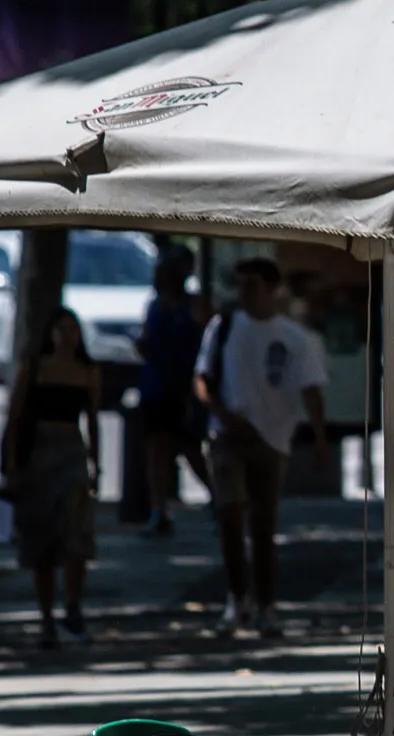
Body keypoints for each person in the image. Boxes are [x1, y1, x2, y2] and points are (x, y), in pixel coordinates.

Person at [196, 258, 327, 635]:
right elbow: (202, 378)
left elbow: (312, 389)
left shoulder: (294, 337)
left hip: (273, 437)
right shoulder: (223, 327)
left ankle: (267, 605)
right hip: (228, 434)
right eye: (240, 285)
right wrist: (221, 412)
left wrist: (319, 440)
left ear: (272, 289)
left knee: (264, 525)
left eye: (253, 284)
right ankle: (237, 599)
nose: (245, 292)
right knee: (230, 515)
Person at [3, 303, 103, 646]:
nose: (67, 337)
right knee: (40, 538)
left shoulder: (86, 371)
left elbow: (91, 418)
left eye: (73, 330)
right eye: (61, 330)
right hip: (38, 454)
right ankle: (46, 615)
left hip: (71, 450)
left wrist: (96, 463)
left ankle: (73, 607)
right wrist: (12, 464)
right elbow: (15, 417)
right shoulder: (34, 368)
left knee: (76, 534)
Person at [129, 247, 206, 533]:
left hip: (181, 386)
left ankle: (219, 500)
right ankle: (159, 510)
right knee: (156, 453)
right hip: (156, 386)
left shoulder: (191, 307)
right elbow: (147, 340)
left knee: (189, 448)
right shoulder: (155, 306)